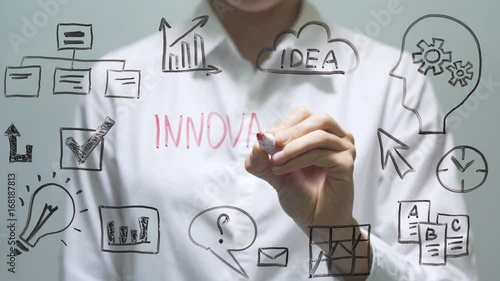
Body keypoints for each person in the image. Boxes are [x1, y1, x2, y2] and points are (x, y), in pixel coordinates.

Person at [60, 0, 478, 280]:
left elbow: (449, 273)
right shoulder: (115, 84)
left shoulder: (394, 82)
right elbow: (87, 268)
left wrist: (339, 236)